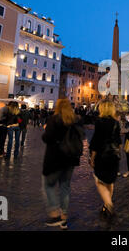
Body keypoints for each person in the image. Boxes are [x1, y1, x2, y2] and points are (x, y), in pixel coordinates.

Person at [42, 98, 85, 229]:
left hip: (56, 157)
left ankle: (55, 213)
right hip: (71, 157)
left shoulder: (54, 119)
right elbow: (81, 136)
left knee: (48, 185)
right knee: (65, 186)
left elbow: (46, 138)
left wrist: (46, 129)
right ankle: (64, 216)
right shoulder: (76, 120)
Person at [90, 100, 122, 222]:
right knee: (110, 181)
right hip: (114, 156)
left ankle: (109, 205)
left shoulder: (100, 122)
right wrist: (118, 154)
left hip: (102, 155)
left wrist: (92, 157)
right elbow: (118, 142)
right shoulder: (116, 122)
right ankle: (106, 205)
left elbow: (96, 141)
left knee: (99, 181)